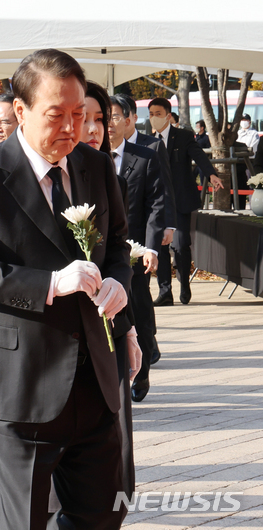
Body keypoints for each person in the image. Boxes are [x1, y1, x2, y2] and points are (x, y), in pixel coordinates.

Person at [0, 49, 131, 529]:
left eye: (80, 114)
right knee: (21, 522)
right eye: (57, 115)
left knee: (103, 515)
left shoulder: (94, 166)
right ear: (20, 111)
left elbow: (115, 250)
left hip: (95, 381)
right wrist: (48, 283)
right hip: (20, 383)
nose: (72, 127)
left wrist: (118, 294)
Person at [80, 83, 141, 501]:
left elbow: (118, 246)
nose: (91, 128)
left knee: (113, 456)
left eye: (99, 118)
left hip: (109, 325)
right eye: (81, 117)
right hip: (59, 336)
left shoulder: (104, 172)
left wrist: (130, 328)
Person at [109, 94, 166, 404]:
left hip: (135, 252)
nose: (107, 125)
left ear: (128, 119)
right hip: (100, 253)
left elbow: (156, 205)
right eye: (100, 118)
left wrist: (151, 248)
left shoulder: (145, 157)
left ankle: (142, 369)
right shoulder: (84, 158)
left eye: (114, 117)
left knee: (138, 312)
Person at [147, 97, 221, 305]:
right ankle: (165, 292)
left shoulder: (184, 137)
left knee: (180, 245)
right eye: (151, 114)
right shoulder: (148, 141)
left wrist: (212, 174)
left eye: (158, 114)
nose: (154, 118)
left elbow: (199, 156)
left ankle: (184, 283)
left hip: (180, 199)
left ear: (168, 116)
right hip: (157, 202)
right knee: (159, 246)